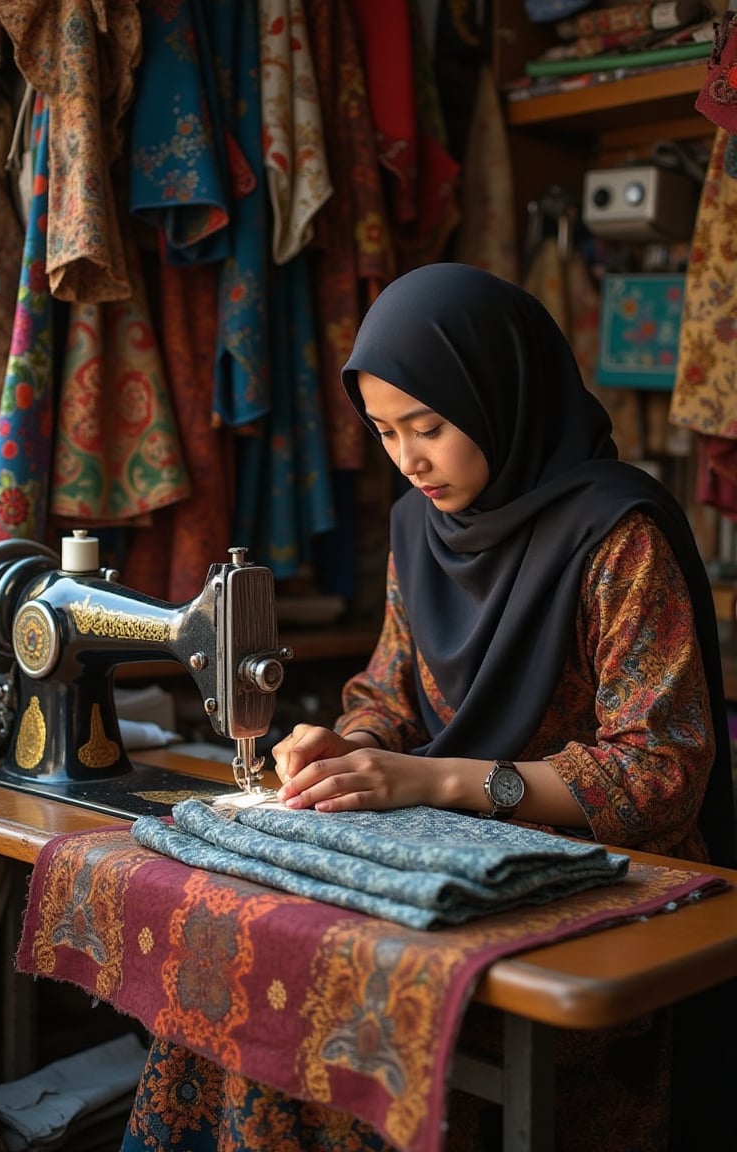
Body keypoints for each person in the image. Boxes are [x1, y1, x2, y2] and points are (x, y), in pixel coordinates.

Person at [123, 264, 736, 1152]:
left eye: (431, 428)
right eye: (383, 432)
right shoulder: (420, 529)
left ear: (500, 396)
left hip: (614, 887)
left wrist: (433, 780)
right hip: (458, 864)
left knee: (337, 1005)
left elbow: (660, 776)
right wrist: (346, 745)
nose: (409, 460)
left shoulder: (620, 535)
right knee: (256, 973)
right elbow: (389, 693)